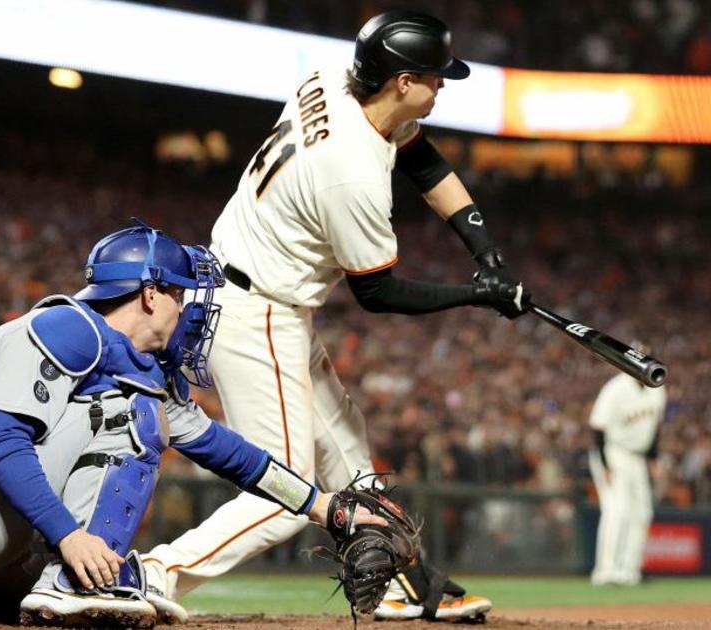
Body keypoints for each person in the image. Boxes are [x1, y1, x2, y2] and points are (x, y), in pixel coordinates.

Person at [141, 10, 530, 623]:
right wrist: (477, 295)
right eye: (434, 76)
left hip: (256, 294)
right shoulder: (349, 173)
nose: (442, 86)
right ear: (402, 81)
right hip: (257, 309)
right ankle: (150, 574)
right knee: (284, 490)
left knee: (348, 448)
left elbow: (421, 157)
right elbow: (377, 293)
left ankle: (406, 579)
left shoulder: (336, 80)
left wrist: (485, 250)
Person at [0, 223, 388, 627]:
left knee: (29, 595)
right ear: (150, 294)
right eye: (180, 294)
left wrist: (328, 508)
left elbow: (228, 453)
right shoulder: (64, 326)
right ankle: (76, 581)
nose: (187, 309)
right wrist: (69, 537)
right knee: (135, 422)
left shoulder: (137, 364)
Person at [589, 368, 666, 586]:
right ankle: (605, 572)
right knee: (617, 510)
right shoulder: (615, 388)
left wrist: (654, 458)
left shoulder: (658, 387)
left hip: (639, 457)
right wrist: (605, 464)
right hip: (614, 452)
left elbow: (654, 428)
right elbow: (597, 428)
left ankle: (629, 572)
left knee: (642, 512)